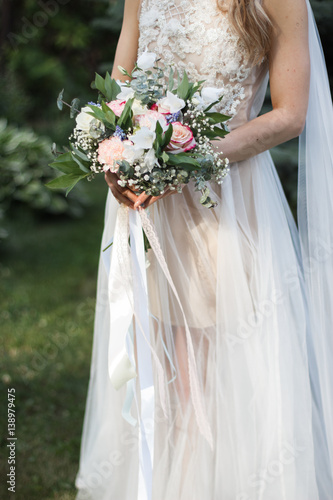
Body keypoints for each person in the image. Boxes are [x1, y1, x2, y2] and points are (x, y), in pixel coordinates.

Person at [75, 0, 333, 499]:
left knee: (210, 383)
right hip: (146, 205)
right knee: (156, 373)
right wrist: (115, 152)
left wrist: (186, 158)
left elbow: (290, 116)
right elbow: (120, 91)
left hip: (224, 202)